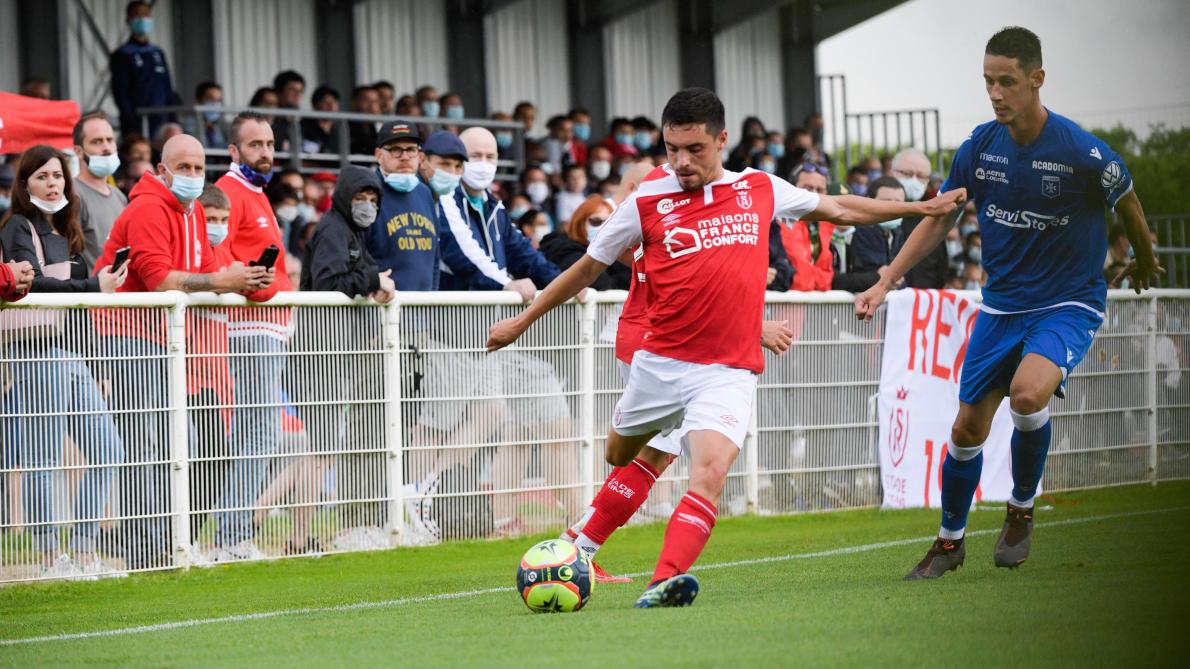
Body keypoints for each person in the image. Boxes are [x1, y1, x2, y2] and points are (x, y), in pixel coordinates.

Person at [488, 87, 963, 607]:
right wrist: (523, 321)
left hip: (728, 368)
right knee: (622, 453)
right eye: (672, 149)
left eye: (695, 149)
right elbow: (587, 266)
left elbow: (840, 208)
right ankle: (585, 539)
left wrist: (922, 206)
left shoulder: (759, 187)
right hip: (660, 363)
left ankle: (661, 583)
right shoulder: (647, 199)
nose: (682, 161)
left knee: (709, 471)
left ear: (721, 140)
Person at [854, 27, 1160, 580]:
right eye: (988, 81)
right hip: (1000, 309)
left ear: (1037, 79)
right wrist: (887, 280)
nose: (995, 93)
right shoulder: (979, 148)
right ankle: (949, 543)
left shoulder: (1080, 150)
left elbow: (1130, 199)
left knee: (1026, 393)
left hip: (1068, 303)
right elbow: (940, 216)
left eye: (1007, 82)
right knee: (967, 429)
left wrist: (1144, 256)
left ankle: (1020, 510)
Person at [92, 134, 271, 570]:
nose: (192, 176)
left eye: (198, 168)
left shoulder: (189, 211)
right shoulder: (149, 208)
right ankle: (148, 545)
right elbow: (157, 278)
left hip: (166, 337)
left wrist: (243, 278)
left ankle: (163, 541)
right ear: (162, 168)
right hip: (126, 332)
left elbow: (207, 272)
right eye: (184, 168)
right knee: (158, 441)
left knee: (192, 445)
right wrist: (223, 282)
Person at [0, 145, 128, 577]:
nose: (52, 183)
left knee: (109, 451)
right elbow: (28, 286)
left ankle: (83, 550)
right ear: (25, 185)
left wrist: (96, 366)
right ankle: (48, 555)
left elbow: (80, 302)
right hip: (35, 352)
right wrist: (94, 287)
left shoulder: (67, 231)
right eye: (42, 177)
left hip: (72, 353)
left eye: (57, 176)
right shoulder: (18, 226)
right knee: (43, 456)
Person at [293, 166, 394, 550]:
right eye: (360, 199)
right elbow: (329, 285)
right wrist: (372, 281)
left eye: (373, 200)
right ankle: (298, 539)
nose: (367, 206)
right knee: (321, 452)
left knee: (320, 451)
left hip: (334, 352)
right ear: (343, 197)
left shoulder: (352, 232)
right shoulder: (334, 230)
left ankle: (263, 513)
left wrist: (373, 281)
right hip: (320, 352)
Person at [212, 112, 293, 560]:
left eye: (269, 143)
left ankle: (230, 529)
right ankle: (233, 534)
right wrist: (257, 284)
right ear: (233, 151)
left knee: (252, 431)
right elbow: (223, 260)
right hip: (250, 327)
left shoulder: (254, 192)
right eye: (255, 144)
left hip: (264, 326)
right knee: (260, 431)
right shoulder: (230, 192)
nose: (265, 151)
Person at [438, 127, 559, 300]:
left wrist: (561, 282)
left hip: (488, 315)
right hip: (453, 317)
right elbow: (464, 253)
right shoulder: (445, 198)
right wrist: (505, 283)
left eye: (490, 157)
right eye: (475, 156)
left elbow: (521, 252)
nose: (483, 164)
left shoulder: (495, 207)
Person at [367, 123, 440, 290]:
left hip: (423, 309)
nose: (405, 156)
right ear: (379, 155)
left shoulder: (424, 193)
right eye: (395, 150)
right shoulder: (367, 192)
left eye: (411, 149)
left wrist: (432, 299)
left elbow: (434, 258)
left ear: (419, 155)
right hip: (382, 308)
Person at [110, 0, 177, 137]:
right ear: (128, 19)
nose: (143, 19)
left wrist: (173, 117)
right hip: (137, 122)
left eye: (146, 15)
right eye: (137, 15)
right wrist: (131, 122)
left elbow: (168, 87)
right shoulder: (122, 54)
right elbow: (120, 93)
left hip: (162, 120)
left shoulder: (157, 52)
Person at [832, 176, 908, 293]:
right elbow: (837, 280)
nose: (893, 208)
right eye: (886, 201)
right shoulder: (855, 234)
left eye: (899, 203)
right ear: (869, 201)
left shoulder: (899, 234)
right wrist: (879, 277)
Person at [71, 112, 128, 265]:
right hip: (91, 287)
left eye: (110, 140)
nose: (107, 148)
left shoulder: (119, 196)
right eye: (97, 142)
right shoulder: (72, 194)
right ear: (78, 151)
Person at [539, 195, 629, 290]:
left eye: (608, 224)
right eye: (596, 222)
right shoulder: (564, 250)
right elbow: (602, 285)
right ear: (580, 222)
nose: (603, 228)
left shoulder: (609, 252)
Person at [888, 149, 949, 288]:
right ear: (892, 173)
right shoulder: (877, 215)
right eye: (907, 174)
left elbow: (941, 270)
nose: (914, 180)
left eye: (921, 176)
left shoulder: (932, 221)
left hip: (922, 303)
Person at [778, 163, 835, 291]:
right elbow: (801, 280)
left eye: (820, 190)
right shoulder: (782, 222)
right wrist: (816, 277)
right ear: (792, 189)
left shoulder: (827, 225)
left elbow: (827, 281)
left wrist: (813, 277)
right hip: (784, 307)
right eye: (807, 188)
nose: (814, 195)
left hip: (817, 307)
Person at [183, 81, 228, 149]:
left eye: (218, 100)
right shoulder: (188, 125)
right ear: (198, 101)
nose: (215, 104)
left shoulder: (222, 125)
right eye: (211, 99)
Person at [299, 86, 342, 155]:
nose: (331, 106)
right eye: (326, 102)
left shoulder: (342, 128)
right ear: (315, 105)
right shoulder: (303, 126)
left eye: (334, 102)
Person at [349, 86, 382, 155]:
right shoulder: (345, 128)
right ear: (354, 103)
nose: (372, 105)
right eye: (366, 100)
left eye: (375, 101)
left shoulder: (379, 129)